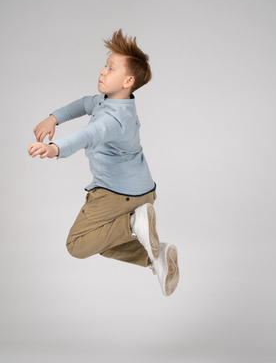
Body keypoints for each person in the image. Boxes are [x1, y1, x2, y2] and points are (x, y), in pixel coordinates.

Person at [28, 29, 179, 296]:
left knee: (77, 244)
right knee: (105, 241)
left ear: (128, 80)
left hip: (115, 195)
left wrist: (55, 148)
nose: (102, 71)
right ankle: (156, 256)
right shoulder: (108, 102)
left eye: (111, 68)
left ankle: (134, 223)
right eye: (104, 65)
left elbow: (88, 135)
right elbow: (82, 104)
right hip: (142, 192)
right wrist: (54, 118)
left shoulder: (113, 120)